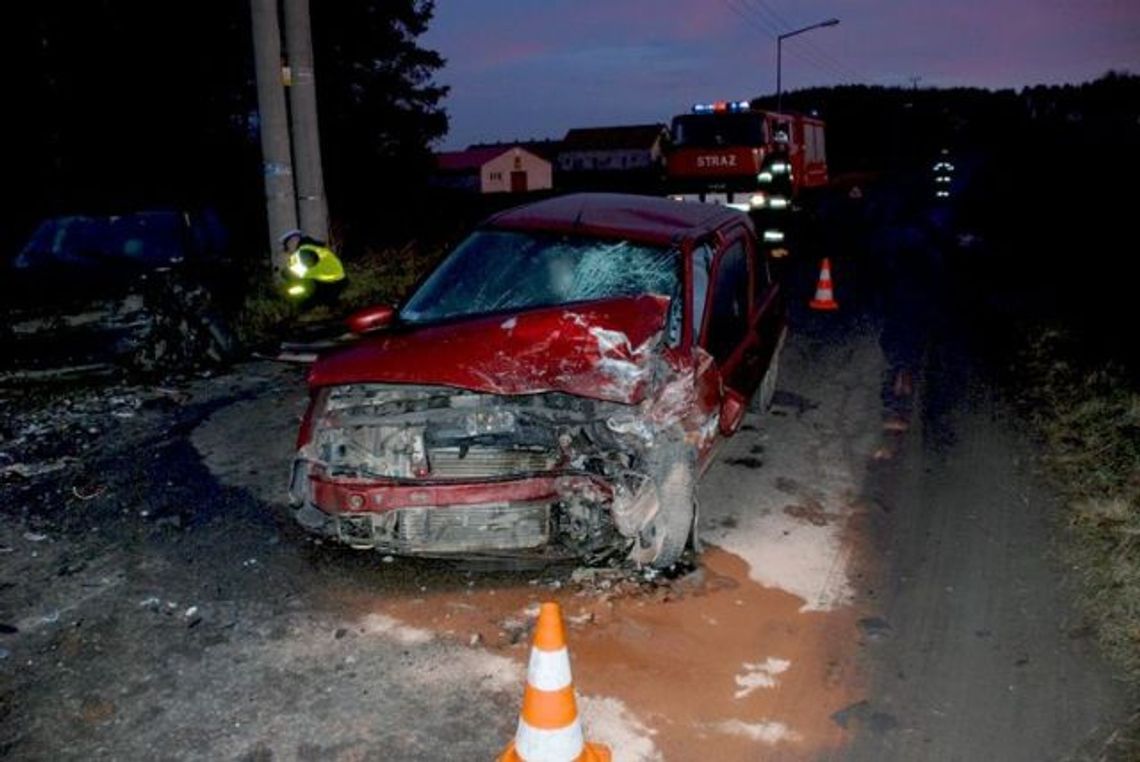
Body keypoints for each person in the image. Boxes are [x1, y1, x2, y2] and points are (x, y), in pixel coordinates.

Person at [280, 229, 346, 307]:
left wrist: (287, 273)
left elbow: (301, 272)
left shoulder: (304, 250)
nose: (288, 248)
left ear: (294, 241)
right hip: (335, 281)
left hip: (328, 283)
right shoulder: (311, 247)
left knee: (294, 291)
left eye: (288, 245)